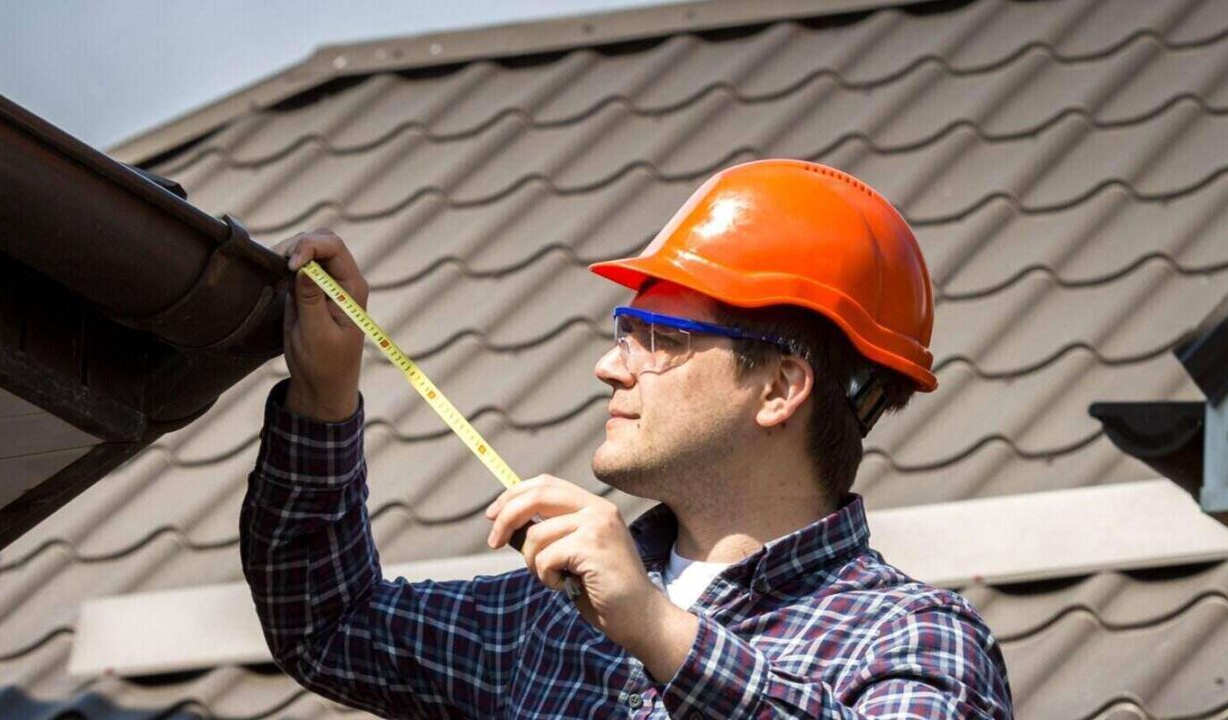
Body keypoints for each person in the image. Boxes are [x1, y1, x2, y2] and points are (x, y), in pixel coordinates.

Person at [241, 159, 1014, 718]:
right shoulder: (548, 617)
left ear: (779, 388)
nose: (610, 366)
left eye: (659, 338)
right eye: (624, 332)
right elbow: (325, 624)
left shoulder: (912, 640)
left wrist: (657, 631)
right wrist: (323, 395)